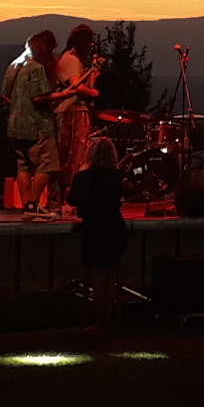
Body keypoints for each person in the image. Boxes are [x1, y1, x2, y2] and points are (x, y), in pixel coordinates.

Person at [70, 137, 129, 331]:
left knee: (97, 275)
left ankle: (98, 320)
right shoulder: (117, 176)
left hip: (94, 227)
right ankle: (109, 317)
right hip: (114, 227)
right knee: (110, 274)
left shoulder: (83, 177)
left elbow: (71, 199)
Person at [1, 32, 62, 213]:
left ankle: (27, 207)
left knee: (23, 166)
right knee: (46, 165)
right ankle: (32, 204)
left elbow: (6, 94)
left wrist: (20, 106)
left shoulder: (14, 66)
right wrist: (66, 94)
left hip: (16, 126)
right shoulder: (36, 68)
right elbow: (39, 97)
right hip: (38, 126)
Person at [53, 23, 101, 186]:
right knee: (74, 154)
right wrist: (91, 92)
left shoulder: (69, 58)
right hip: (73, 111)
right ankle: (70, 187)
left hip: (74, 110)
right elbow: (77, 86)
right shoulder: (71, 60)